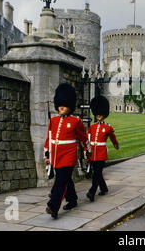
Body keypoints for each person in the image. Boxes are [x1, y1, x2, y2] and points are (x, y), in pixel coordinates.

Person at [44, 83, 88, 219]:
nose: (61, 106)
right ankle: (72, 199)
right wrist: (47, 155)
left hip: (68, 156)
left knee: (61, 181)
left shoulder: (76, 121)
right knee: (66, 180)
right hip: (56, 156)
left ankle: (53, 206)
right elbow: (49, 138)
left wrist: (87, 151)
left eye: (64, 104)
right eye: (60, 104)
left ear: (70, 105)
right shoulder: (54, 120)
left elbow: (83, 138)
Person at [85, 95, 119, 202]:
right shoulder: (92, 127)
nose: (98, 115)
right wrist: (87, 152)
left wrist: (115, 144)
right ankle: (103, 188)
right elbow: (87, 140)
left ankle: (92, 192)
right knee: (97, 173)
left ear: (104, 114)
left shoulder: (108, 127)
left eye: (100, 113)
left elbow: (113, 138)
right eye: (97, 113)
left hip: (101, 153)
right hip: (92, 153)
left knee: (97, 173)